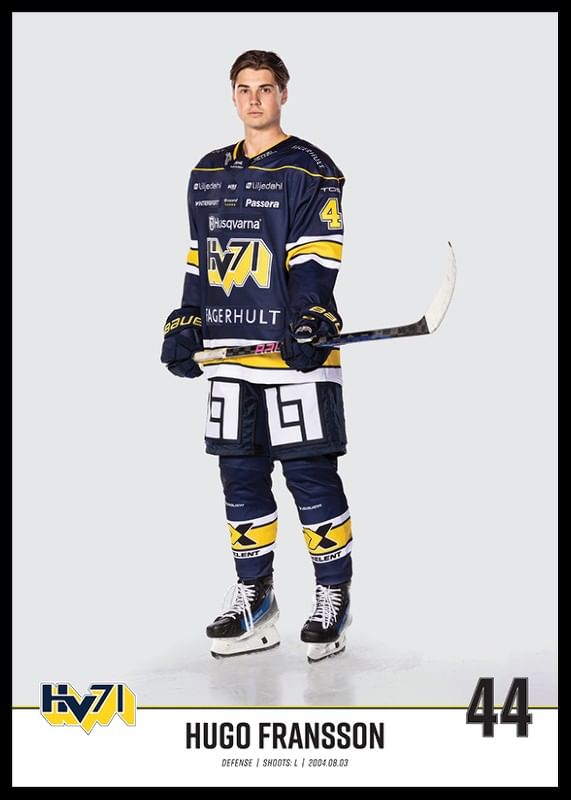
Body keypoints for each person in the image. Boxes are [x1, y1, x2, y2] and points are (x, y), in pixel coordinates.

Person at [161, 50, 353, 663]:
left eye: (265, 88)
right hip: (229, 357)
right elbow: (202, 257)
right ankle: (257, 598)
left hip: (295, 355)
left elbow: (315, 256)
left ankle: (333, 596)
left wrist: (308, 317)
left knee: (310, 477)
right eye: (244, 88)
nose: (254, 99)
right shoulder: (207, 172)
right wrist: (187, 321)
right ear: (232, 94)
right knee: (239, 479)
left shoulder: (312, 168)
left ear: (283, 94)